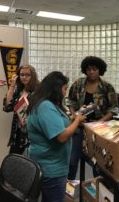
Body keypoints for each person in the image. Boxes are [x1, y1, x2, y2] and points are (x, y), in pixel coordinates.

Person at [26, 71, 86, 202]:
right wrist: (77, 120)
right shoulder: (45, 106)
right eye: (64, 89)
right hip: (51, 169)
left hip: (50, 164)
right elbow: (61, 136)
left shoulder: (45, 103)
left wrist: (71, 118)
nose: (65, 93)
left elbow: (55, 123)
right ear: (56, 89)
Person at [67, 56, 118, 180]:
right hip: (80, 127)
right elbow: (70, 101)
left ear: (100, 70)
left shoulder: (107, 86)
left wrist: (100, 122)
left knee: (98, 161)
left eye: (94, 69)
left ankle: (98, 188)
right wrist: (74, 115)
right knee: (73, 160)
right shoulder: (78, 84)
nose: (91, 72)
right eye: (89, 69)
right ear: (85, 70)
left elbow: (114, 108)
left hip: (99, 129)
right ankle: (68, 187)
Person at [3, 64, 39, 154]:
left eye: (27, 75)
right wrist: (12, 85)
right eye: (22, 74)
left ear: (33, 76)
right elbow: (7, 107)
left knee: (32, 160)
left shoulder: (38, 90)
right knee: (13, 158)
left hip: (32, 130)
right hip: (18, 131)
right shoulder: (19, 90)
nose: (24, 77)